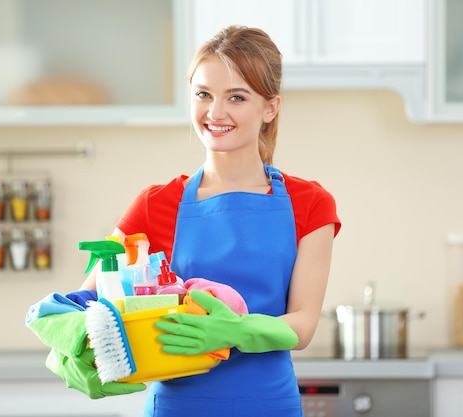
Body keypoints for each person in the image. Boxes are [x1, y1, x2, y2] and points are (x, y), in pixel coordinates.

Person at [28, 25, 340, 417]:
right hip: (178, 407)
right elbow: (92, 301)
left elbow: (304, 325)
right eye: (203, 95)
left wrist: (238, 331)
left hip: (270, 406)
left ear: (269, 108)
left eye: (236, 97)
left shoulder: (309, 204)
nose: (216, 112)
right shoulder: (155, 204)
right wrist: (70, 341)